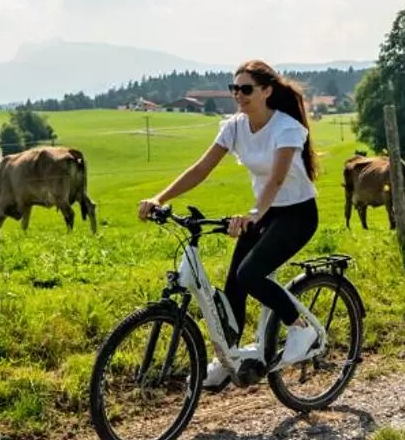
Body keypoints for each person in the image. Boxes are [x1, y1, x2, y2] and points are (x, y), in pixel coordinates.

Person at [139, 60, 324, 388]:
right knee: (233, 288)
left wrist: (253, 214)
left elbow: (277, 179)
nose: (238, 94)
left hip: (297, 214)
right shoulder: (235, 127)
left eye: (246, 88)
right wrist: (159, 197)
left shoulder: (285, 128)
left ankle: (300, 327)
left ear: (266, 91)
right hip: (265, 212)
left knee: (249, 274)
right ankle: (229, 357)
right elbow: (201, 169)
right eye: (234, 88)